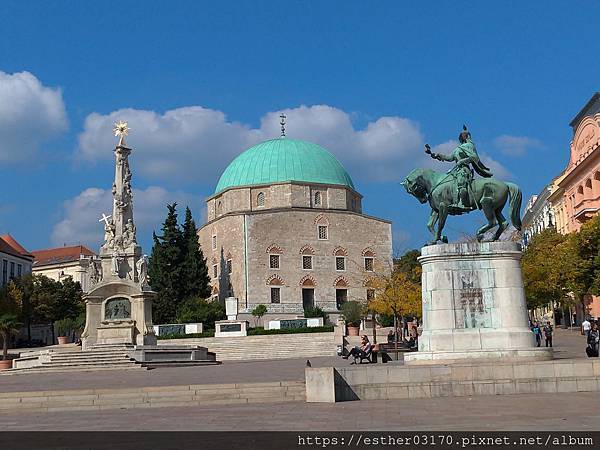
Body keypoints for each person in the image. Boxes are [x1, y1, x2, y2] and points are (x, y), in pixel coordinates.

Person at [425, 125, 493, 211]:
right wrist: (438, 155)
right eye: (461, 136)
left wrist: (463, 161)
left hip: (464, 170)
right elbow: (450, 158)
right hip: (456, 170)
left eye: (463, 136)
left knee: (461, 182)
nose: (461, 137)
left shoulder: (470, 145)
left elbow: (474, 157)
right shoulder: (458, 149)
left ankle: (462, 203)